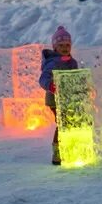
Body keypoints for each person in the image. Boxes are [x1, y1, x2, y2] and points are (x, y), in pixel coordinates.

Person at [39, 26, 78, 165]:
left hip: (68, 98)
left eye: (67, 45)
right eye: (61, 45)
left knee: (71, 122)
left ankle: (68, 148)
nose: (65, 48)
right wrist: (51, 85)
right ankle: (57, 152)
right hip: (55, 99)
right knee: (62, 123)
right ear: (55, 47)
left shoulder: (72, 62)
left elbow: (76, 78)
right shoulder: (52, 62)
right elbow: (43, 79)